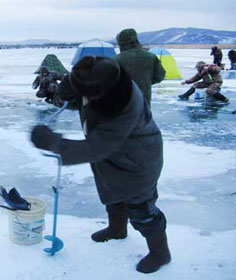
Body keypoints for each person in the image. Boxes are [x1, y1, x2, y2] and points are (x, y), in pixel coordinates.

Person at [31, 56, 171, 274]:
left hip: (138, 159)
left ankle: (160, 252)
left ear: (101, 92)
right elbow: (81, 92)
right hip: (113, 157)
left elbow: (98, 147)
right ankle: (117, 229)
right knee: (112, 192)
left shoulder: (123, 106)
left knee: (141, 206)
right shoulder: (102, 77)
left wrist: (53, 143)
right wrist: (67, 89)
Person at [114, 28, 165, 106]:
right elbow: (160, 75)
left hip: (122, 102)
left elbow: (109, 82)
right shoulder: (150, 56)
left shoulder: (116, 60)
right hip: (144, 100)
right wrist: (146, 82)